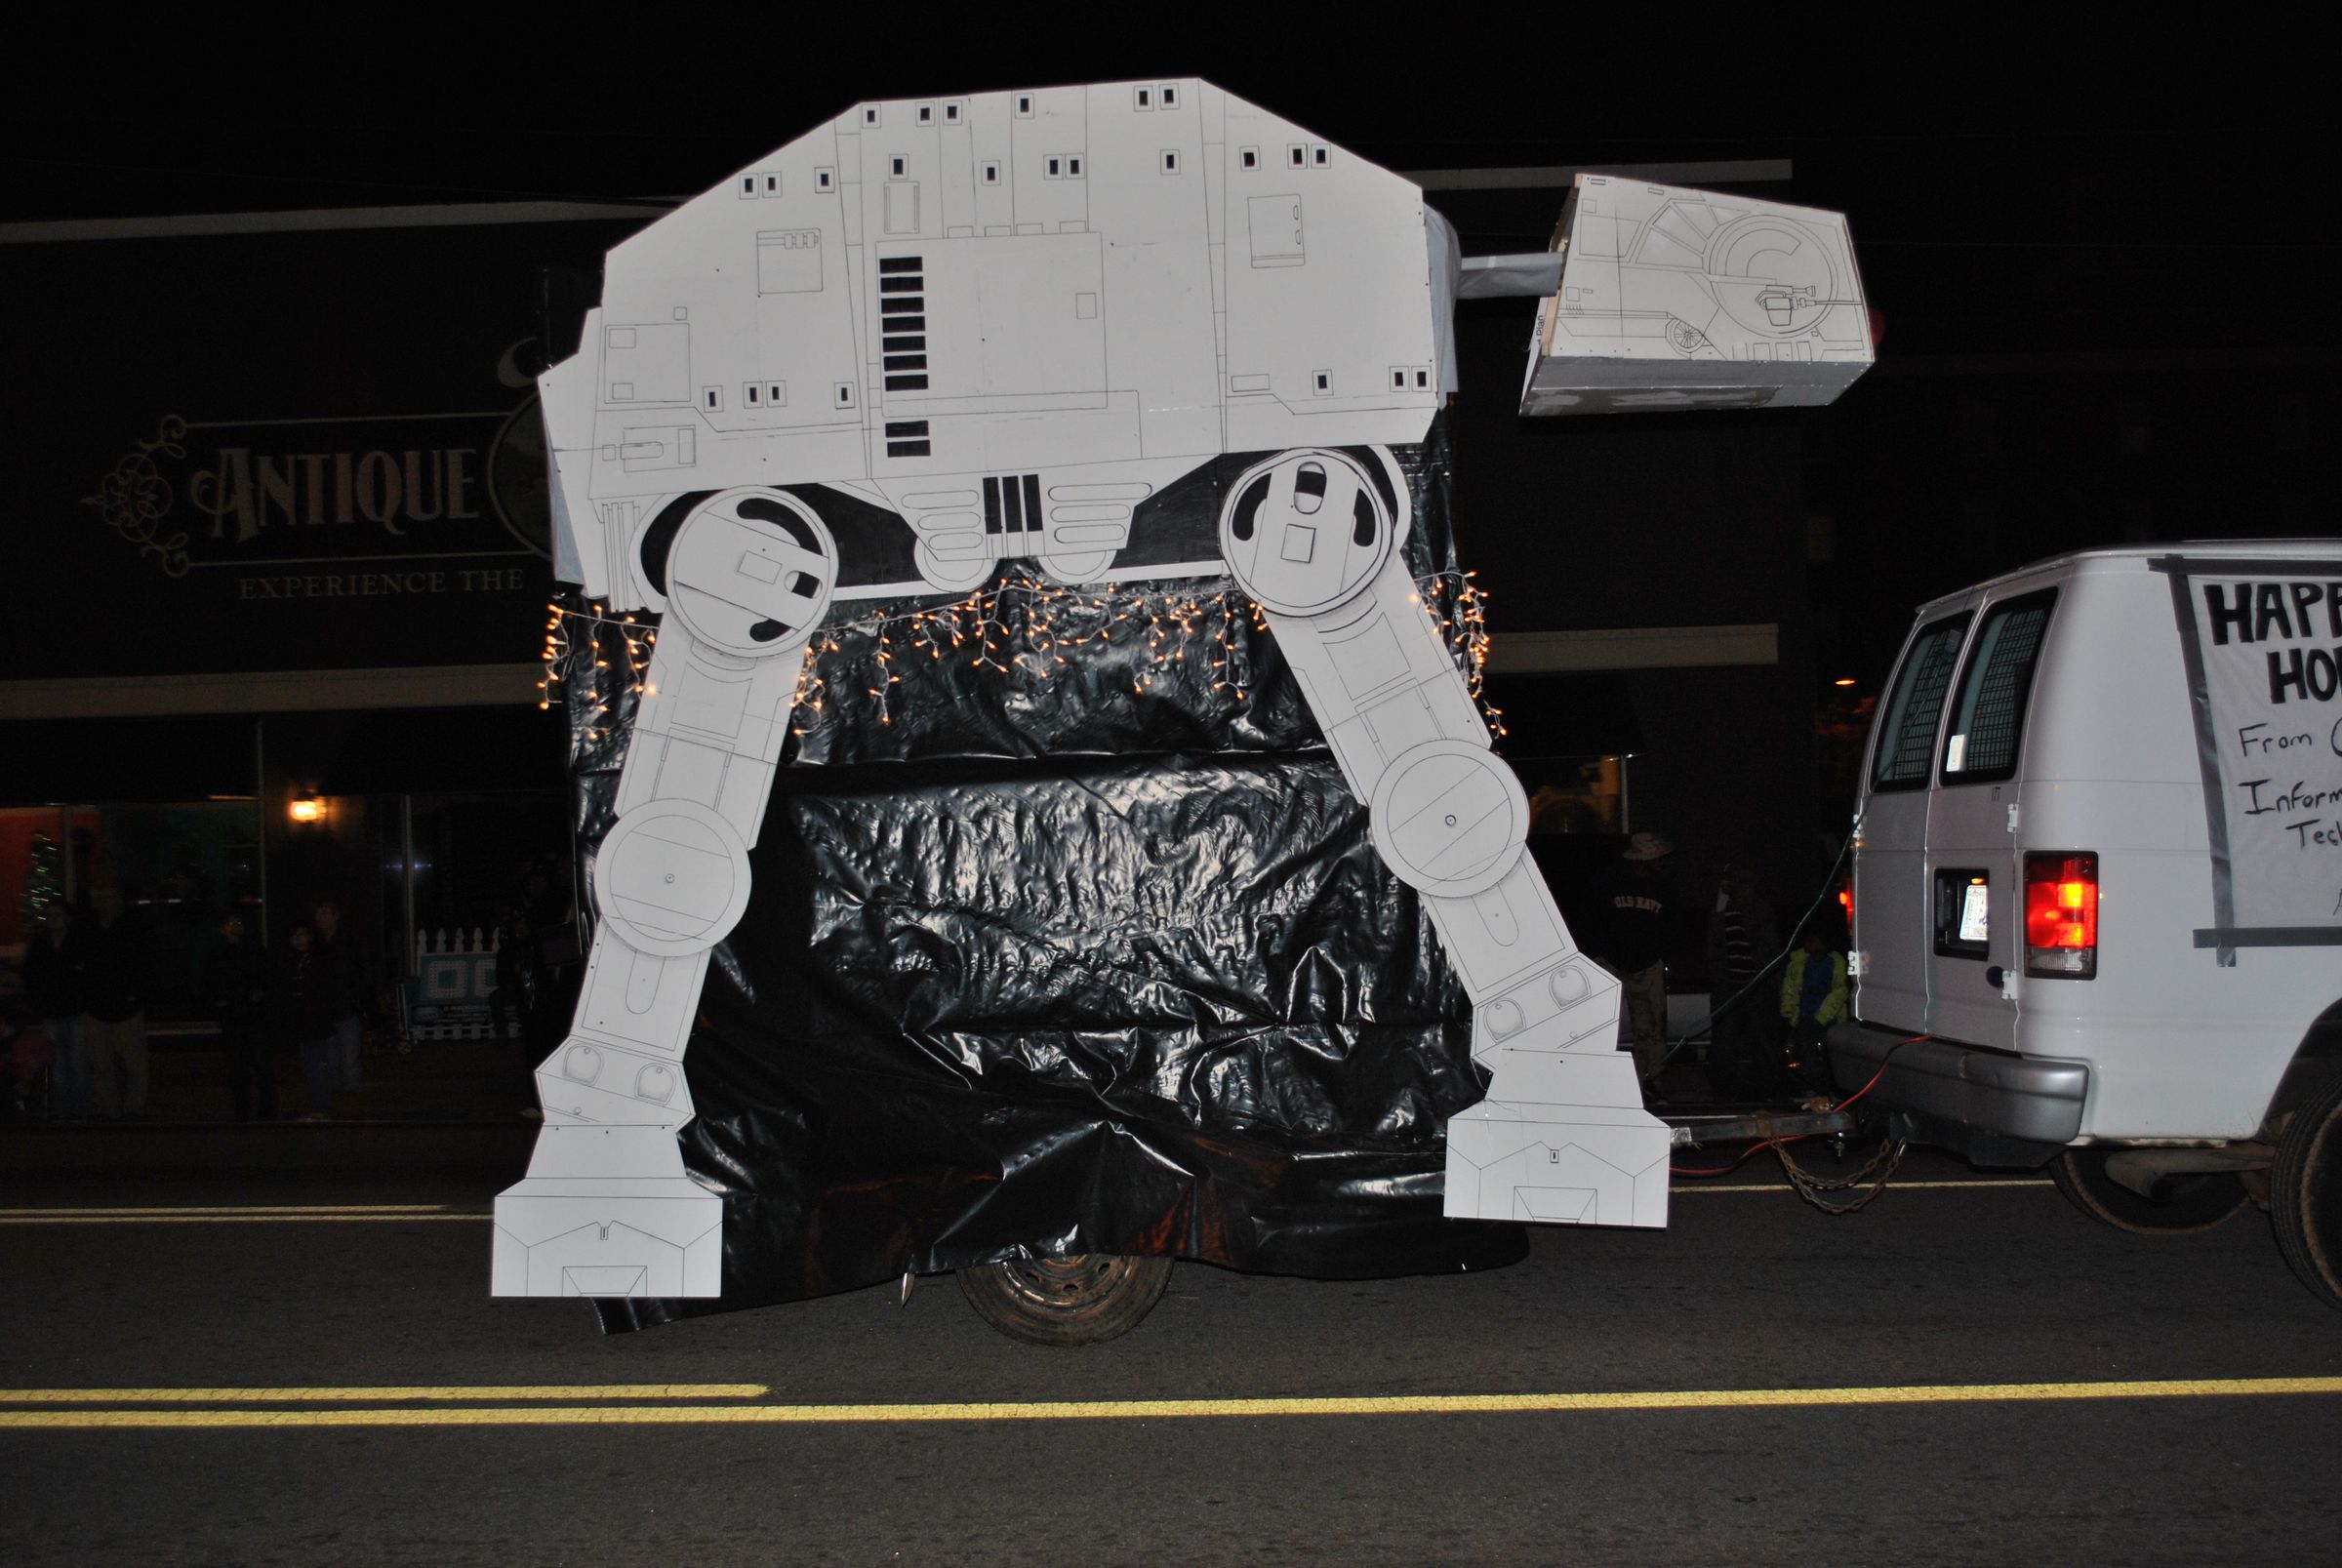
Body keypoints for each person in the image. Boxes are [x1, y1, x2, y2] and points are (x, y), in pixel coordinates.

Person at [1597, 832, 1676, 1083]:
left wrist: (1662, 956)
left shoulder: (1664, 887)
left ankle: (1650, 1080)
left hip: (1647, 965)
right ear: (1645, 860)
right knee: (1602, 1027)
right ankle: (1600, 1079)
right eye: (1658, 858)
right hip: (1611, 963)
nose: (1662, 863)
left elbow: (1673, 926)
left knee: (1651, 1029)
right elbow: (1592, 920)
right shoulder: (1609, 882)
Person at [1705, 858, 1784, 1100]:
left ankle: (1772, 1090)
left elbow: (1771, 948)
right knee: (1724, 1040)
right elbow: (1713, 948)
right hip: (1729, 984)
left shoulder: (1758, 910)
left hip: (1756, 984)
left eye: (1733, 881)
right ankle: (1725, 1091)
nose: (1728, 885)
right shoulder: (1722, 910)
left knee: (1763, 1040)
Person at [77, 886, 152, 1117]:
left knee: (134, 1065)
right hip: (96, 1008)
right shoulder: (87, 930)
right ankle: (107, 1110)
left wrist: (135, 995)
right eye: (100, 897)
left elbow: (144, 964)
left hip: (126, 1009)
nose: (105, 902)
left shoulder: (131, 929)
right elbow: (78, 965)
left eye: (109, 897)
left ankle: (134, 1109)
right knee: (100, 1065)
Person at [203, 911, 275, 1120]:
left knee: (261, 1064)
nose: (235, 927)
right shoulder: (216, 953)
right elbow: (209, 983)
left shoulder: (253, 949)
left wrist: (258, 998)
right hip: (232, 1018)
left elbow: (265, 977)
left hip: (254, 1017)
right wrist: (220, 1003)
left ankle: (267, 1109)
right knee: (237, 1066)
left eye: (238, 922)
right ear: (221, 929)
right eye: (230, 923)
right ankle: (242, 1109)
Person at [22, 901, 86, 1119]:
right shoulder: (40, 944)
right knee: (58, 1062)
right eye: (50, 915)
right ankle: (64, 1111)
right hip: (51, 1012)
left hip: (75, 1010)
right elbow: (30, 975)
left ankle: (80, 1109)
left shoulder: (77, 942)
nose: (53, 920)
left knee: (77, 1062)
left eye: (58, 915)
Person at [275, 922, 339, 1119]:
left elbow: (325, 988)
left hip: (319, 1020)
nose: (298, 939)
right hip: (302, 1022)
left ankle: (325, 1106)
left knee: (323, 1064)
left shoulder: (320, 959)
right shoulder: (291, 961)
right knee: (311, 1066)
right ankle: (319, 1106)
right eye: (295, 935)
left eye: (302, 934)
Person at [1779, 923, 1850, 1093]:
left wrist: (1822, 1017)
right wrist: (1787, 1011)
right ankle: (1809, 1089)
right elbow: (1789, 986)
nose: (1808, 944)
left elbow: (1840, 992)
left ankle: (1830, 1088)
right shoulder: (1799, 962)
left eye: (1813, 941)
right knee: (1803, 1052)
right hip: (1804, 1015)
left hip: (1827, 1017)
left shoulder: (1836, 963)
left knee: (1828, 1055)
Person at [311, 900, 363, 1091]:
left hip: (345, 1008)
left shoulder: (348, 942)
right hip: (324, 1010)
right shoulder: (315, 944)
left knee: (349, 1058)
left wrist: (355, 996)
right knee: (329, 1059)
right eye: (318, 913)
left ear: (335, 916)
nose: (320, 918)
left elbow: (360, 971)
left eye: (325, 912)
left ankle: (352, 1104)